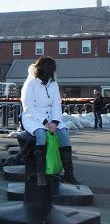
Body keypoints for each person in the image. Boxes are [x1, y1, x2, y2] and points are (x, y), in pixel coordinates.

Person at [20, 56, 79, 185]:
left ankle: (69, 173)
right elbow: (28, 107)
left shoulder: (53, 83)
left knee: (63, 134)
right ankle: (41, 173)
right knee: (41, 135)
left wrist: (55, 122)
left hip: (52, 117)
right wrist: (45, 122)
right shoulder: (30, 83)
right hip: (33, 117)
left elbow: (56, 105)